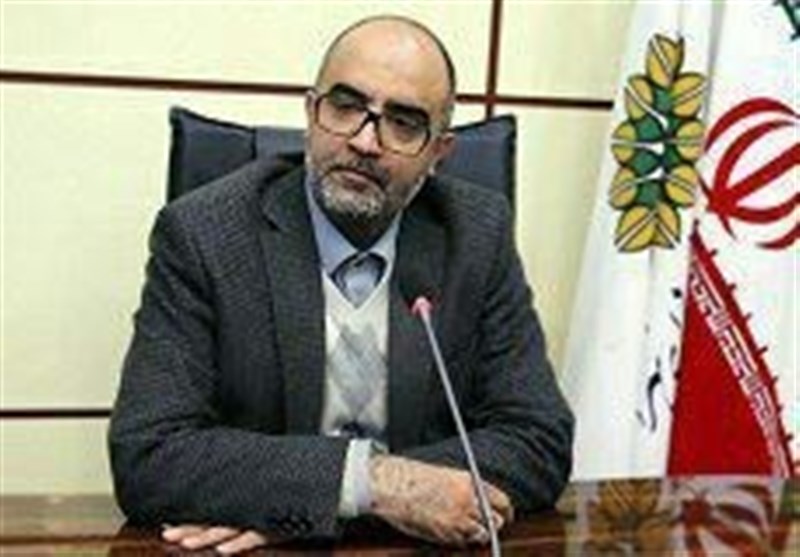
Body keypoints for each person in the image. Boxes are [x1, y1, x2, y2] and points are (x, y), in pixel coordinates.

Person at [108, 15, 574, 555]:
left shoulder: (476, 233)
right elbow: (149, 453)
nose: (365, 141)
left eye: (403, 123)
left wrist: (309, 506)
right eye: (346, 106)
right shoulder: (205, 234)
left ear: (438, 153)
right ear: (311, 112)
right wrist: (371, 487)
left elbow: (538, 439)